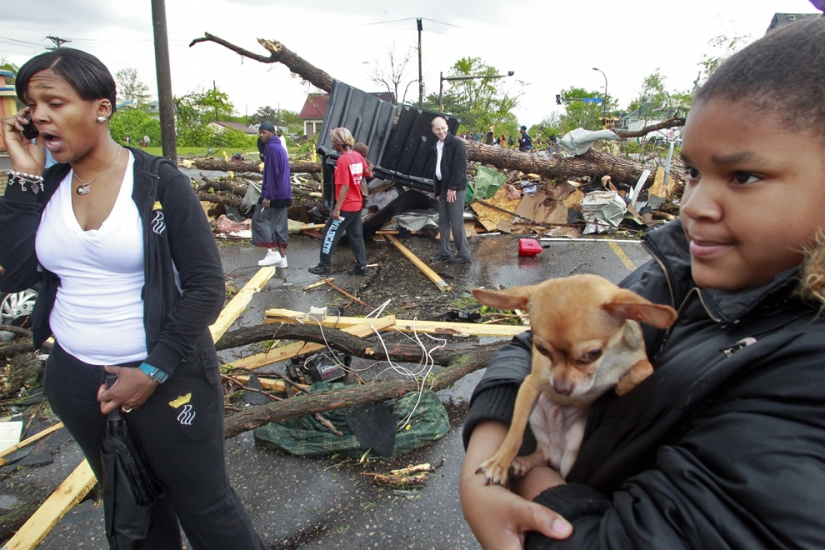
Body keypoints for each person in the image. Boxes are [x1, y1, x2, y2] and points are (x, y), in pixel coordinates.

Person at [460, 15, 825, 549]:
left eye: (743, 177)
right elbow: (534, 345)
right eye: (694, 173)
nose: (692, 207)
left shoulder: (807, 374)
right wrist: (492, 441)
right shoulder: (682, 271)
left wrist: (523, 482)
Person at [0, 48, 266, 550]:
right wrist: (24, 175)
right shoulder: (47, 184)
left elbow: (207, 287)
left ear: (101, 108)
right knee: (132, 508)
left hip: (164, 376)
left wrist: (152, 372)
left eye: (53, 102)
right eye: (31, 106)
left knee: (205, 507)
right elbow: (11, 273)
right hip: (77, 379)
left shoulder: (159, 182)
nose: (38, 116)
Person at [308, 127, 368, 276]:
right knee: (356, 236)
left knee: (329, 233)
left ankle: (324, 266)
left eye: (334, 141)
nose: (333, 143)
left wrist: (337, 209)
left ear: (338, 143)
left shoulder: (343, 160)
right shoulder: (357, 156)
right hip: (357, 204)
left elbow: (345, 187)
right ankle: (361, 266)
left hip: (346, 205)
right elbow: (367, 172)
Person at [428, 116, 470, 264]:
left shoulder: (457, 144)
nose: (441, 131)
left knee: (456, 221)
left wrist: (452, 188)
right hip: (443, 187)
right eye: (438, 129)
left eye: (443, 128)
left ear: (447, 127)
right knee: (443, 220)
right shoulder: (437, 145)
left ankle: (464, 254)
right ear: (433, 130)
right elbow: (438, 171)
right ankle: (444, 251)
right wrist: (439, 191)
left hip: (456, 189)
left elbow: (459, 168)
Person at [253, 121, 291, 268]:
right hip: (284, 193)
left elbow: (272, 173)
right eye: (260, 133)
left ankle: (272, 252)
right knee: (278, 225)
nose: (262, 135)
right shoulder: (280, 147)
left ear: (272, 133)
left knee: (260, 220)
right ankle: (282, 259)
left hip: (274, 194)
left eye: (264, 132)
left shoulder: (272, 149)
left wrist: (268, 195)